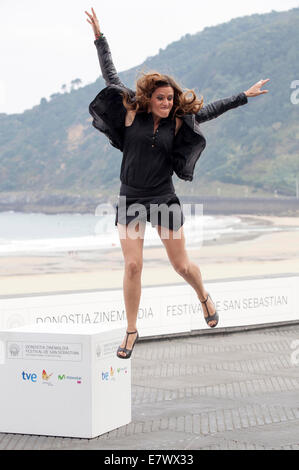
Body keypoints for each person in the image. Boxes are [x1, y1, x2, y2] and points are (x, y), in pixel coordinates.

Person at [85, 8, 270, 359]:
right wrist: (100, 38)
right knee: (133, 265)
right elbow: (110, 75)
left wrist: (244, 96)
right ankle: (131, 330)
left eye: (171, 99)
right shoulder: (130, 112)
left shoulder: (180, 122)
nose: (167, 103)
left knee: (181, 266)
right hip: (130, 199)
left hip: (163, 199)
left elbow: (211, 109)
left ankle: (203, 295)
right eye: (162, 98)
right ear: (149, 99)